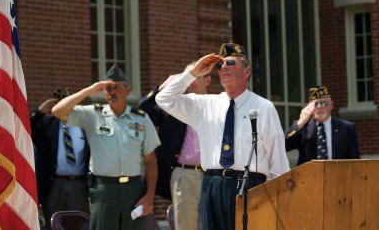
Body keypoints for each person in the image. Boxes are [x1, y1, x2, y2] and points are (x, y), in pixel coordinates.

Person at [155, 43, 289, 230]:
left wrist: (278, 203)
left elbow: (278, 162)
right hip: (212, 184)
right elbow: (163, 99)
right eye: (220, 65)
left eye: (231, 62)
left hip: (251, 185)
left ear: (247, 71)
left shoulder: (264, 107)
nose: (224, 67)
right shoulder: (205, 105)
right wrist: (193, 73)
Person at [51, 65, 160, 230]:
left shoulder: (141, 119)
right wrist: (89, 90)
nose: (111, 92)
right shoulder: (93, 114)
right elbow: (58, 111)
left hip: (133, 190)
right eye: (107, 89)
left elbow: (150, 160)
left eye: (116, 87)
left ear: (127, 90)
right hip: (104, 190)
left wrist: (150, 195)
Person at [139, 62, 211, 230]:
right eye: (188, 75)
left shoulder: (216, 104)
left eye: (196, 76)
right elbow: (143, 110)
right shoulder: (173, 105)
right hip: (184, 173)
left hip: (212, 174)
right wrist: (163, 86)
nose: (191, 80)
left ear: (208, 80)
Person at [30, 87, 90, 230]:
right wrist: (38, 112)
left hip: (80, 185)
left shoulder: (86, 125)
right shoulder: (47, 124)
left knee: (81, 225)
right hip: (54, 185)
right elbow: (27, 129)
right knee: (55, 225)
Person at [285, 85, 360, 165]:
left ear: (331, 105)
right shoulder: (303, 128)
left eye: (323, 103)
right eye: (316, 104)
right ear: (309, 107)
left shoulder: (347, 128)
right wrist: (300, 123)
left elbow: (355, 162)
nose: (320, 107)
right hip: (310, 176)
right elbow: (282, 146)